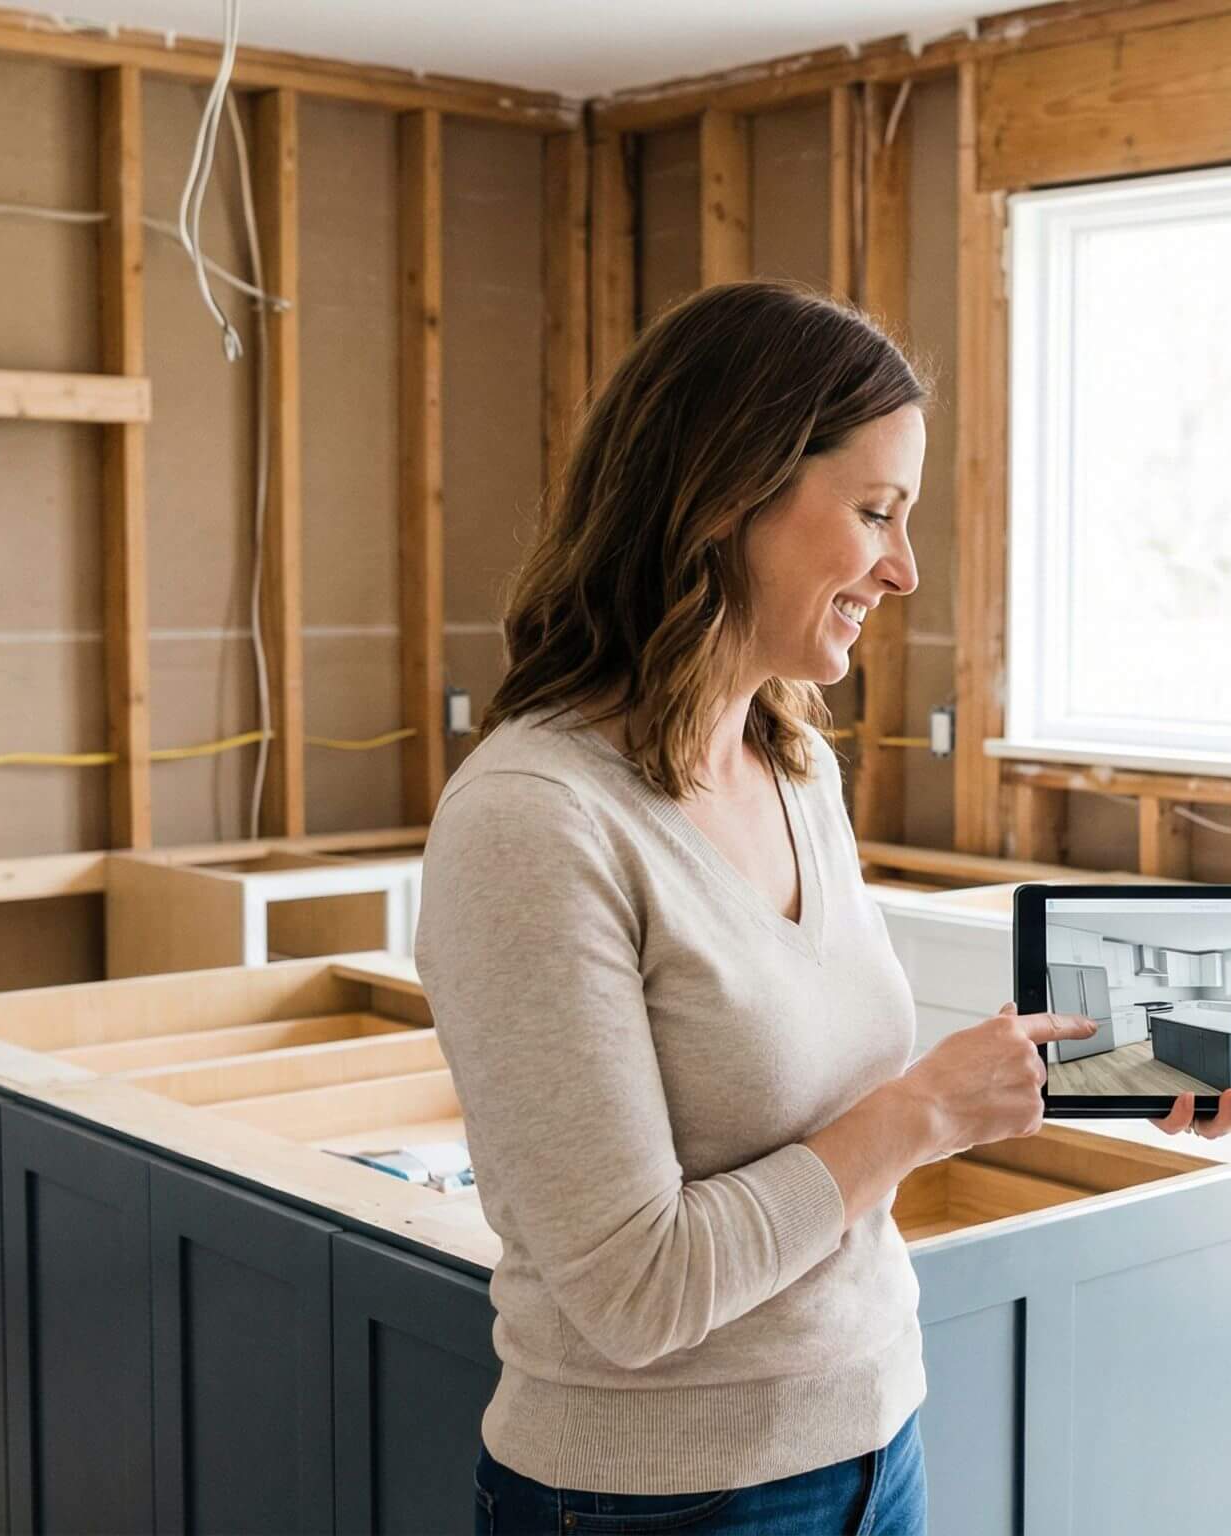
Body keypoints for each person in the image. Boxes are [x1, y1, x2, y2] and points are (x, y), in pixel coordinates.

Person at [415, 280, 1094, 1535]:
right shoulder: (532, 821)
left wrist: (1027, 1077)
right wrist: (923, 1113)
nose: (902, 569)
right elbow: (636, 1289)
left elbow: (820, 1100)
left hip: (874, 1443)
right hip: (655, 1500)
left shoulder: (793, 761)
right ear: (728, 497)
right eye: (876, 513)